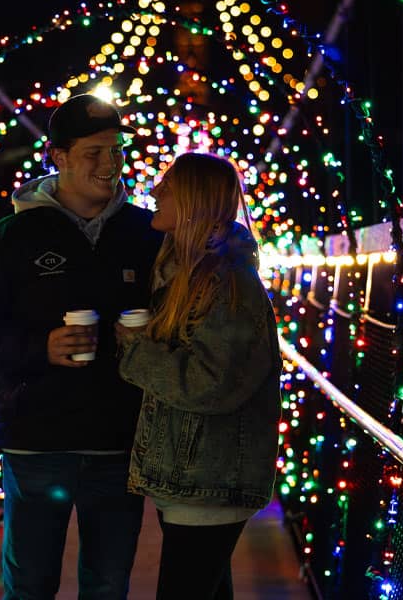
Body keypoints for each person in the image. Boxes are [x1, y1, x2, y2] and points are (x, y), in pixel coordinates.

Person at [0, 94, 164, 600]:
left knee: (108, 587)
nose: (110, 165)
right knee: (30, 586)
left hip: (119, 441)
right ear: (59, 157)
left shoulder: (146, 233)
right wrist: (38, 348)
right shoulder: (7, 239)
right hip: (36, 441)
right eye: (94, 153)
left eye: (117, 151)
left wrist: (148, 339)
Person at [114, 153, 282, 600]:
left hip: (210, 478)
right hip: (195, 476)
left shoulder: (229, 284)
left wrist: (134, 351)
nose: (153, 192)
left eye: (166, 186)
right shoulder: (186, 275)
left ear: (192, 199)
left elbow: (211, 382)